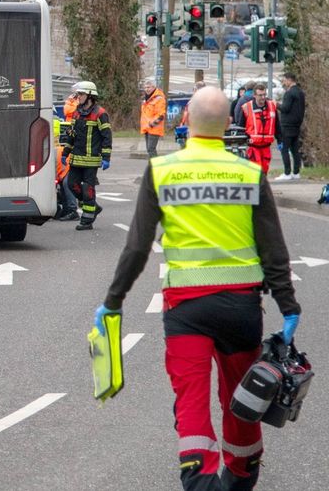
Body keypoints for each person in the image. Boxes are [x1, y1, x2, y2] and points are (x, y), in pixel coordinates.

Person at [94, 86, 300, 491]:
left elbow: (137, 247)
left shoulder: (162, 171)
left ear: (186, 120)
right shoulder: (249, 173)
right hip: (242, 309)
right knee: (241, 399)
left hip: (186, 310)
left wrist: (113, 301)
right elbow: (273, 249)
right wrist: (288, 306)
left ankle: (202, 479)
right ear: (228, 125)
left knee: (191, 399)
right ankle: (241, 474)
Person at [60, 81, 111, 230]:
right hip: (76, 158)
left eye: (81, 94)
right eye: (78, 94)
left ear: (90, 95)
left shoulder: (100, 114)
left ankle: (87, 221)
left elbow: (107, 136)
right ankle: (93, 206)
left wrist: (106, 157)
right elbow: (72, 135)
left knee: (88, 190)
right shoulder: (77, 112)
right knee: (72, 185)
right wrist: (65, 153)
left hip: (91, 160)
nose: (78, 97)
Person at [240, 86, 278, 174]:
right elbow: (241, 126)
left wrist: (280, 139)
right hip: (253, 147)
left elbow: (277, 124)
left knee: (264, 171)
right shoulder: (247, 107)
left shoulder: (271, 106)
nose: (263, 97)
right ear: (254, 95)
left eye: (264, 94)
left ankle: (262, 182)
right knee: (256, 172)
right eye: (260, 95)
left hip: (266, 147)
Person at [277, 72, 305, 181]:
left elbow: (285, 108)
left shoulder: (289, 93)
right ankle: (296, 172)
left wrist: (276, 104)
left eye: (284, 80)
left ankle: (287, 173)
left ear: (289, 80)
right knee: (294, 150)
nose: (284, 82)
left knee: (284, 149)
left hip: (287, 125)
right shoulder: (300, 92)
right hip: (296, 125)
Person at [140, 79, 166, 157]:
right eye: (145, 87)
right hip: (147, 128)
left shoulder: (159, 98)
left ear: (154, 87)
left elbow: (161, 115)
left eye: (148, 87)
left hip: (154, 128)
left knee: (151, 149)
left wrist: (151, 124)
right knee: (149, 149)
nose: (147, 89)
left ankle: (155, 164)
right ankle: (153, 164)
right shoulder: (146, 98)